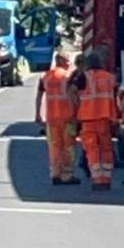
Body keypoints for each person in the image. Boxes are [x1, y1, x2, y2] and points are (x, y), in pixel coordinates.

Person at [71, 50, 118, 190]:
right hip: (106, 118)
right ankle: (106, 178)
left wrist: (77, 105)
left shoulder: (85, 77)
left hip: (88, 118)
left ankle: (97, 179)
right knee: (106, 148)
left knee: (92, 149)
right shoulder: (110, 77)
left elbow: (72, 90)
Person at [34, 50, 81, 185]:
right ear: (61, 61)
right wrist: (78, 114)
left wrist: (37, 114)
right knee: (68, 147)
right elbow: (74, 97)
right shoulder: (68, 77)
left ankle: (55, 173)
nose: (69, 64)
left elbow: (39, 96)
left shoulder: (46, 76)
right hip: (67, 118)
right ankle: (66, 175)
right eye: (67, 61)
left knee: (54, 147)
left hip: (51, 118)